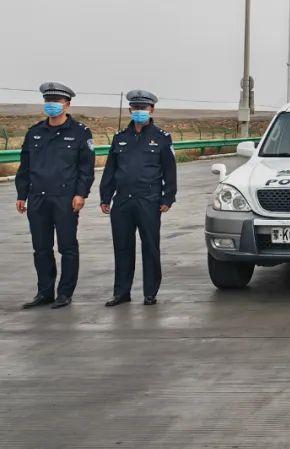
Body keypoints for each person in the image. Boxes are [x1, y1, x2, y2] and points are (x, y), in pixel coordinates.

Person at [15, 82, 95, 309]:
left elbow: (86, 168)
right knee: (41, 248)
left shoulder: (80, 132)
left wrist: (81, 194)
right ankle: (44, 292)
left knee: (67, 247)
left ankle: (65, 293)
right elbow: (25, 167)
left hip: (65, 198)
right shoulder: (35, 132)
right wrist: (22, 194)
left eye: (57, 102)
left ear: (67, 104)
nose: (52, 106)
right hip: (37, 197)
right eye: (48, 102)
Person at [100, 90, 177, 306]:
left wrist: (168, 197)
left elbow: (170, 171)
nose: (139, 111)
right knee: (122, 247)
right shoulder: (120, 138)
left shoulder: (161, 138)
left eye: (143, 108)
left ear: (151, 110)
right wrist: (105, 196)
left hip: (148, 200)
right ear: (129, 110)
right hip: (122, 201)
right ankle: (121, 292)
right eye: (135, 108)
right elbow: (110, 170)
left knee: (150, 246)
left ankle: (150, 292)